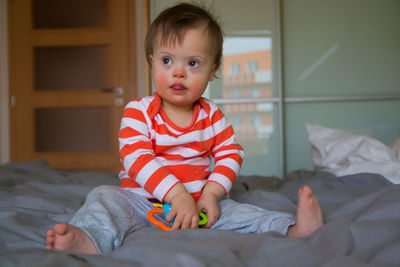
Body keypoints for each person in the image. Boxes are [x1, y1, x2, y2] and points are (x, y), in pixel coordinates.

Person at [46, 3, 323, 255]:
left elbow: (230, 154)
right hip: (140, 203)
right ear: (152, 63)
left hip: (199, 205)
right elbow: (136, 158)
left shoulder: (211, 116)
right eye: (168, 61)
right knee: (103, 197)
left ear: (212, 71)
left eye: (193, 63)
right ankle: (88, 239)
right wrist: (176, 195)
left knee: (242, 212)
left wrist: (211, 195)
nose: (179, 73)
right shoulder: (139, 111)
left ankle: (293, 229)